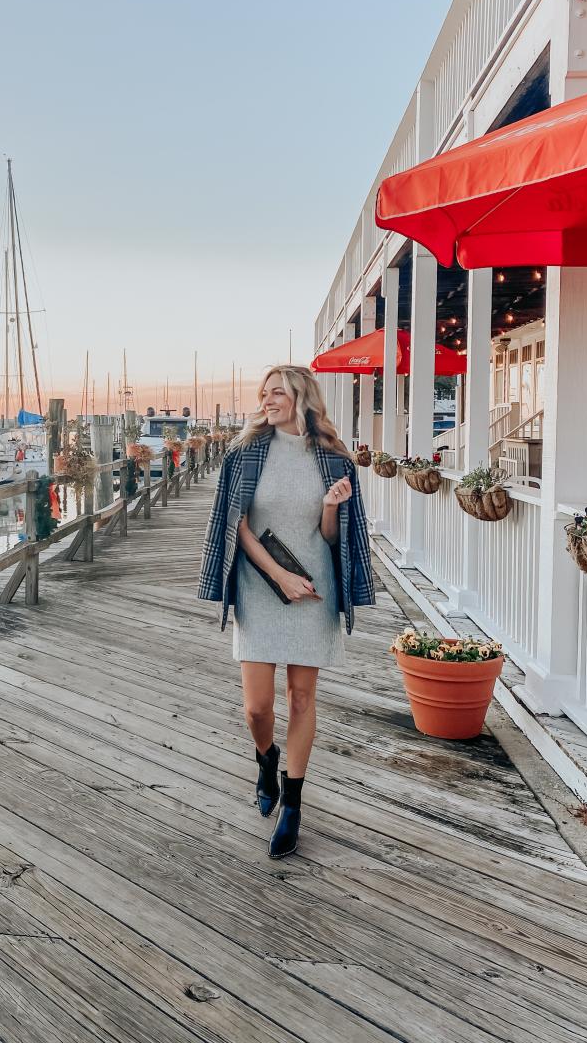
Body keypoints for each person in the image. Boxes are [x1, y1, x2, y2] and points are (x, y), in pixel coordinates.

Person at [198, 365, 374, 858]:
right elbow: (237, 526)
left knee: (300, 698)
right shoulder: (246, 453)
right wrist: (278, 576)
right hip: (261, 585)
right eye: (264, 392)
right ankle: (265, 757)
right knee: (256, 707)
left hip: (314, 588)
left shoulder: (335, 460)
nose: (267, 399)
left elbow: (332, 540)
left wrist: (333, 506)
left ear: (301, 398)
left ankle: (293, 802)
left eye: (277, 392)